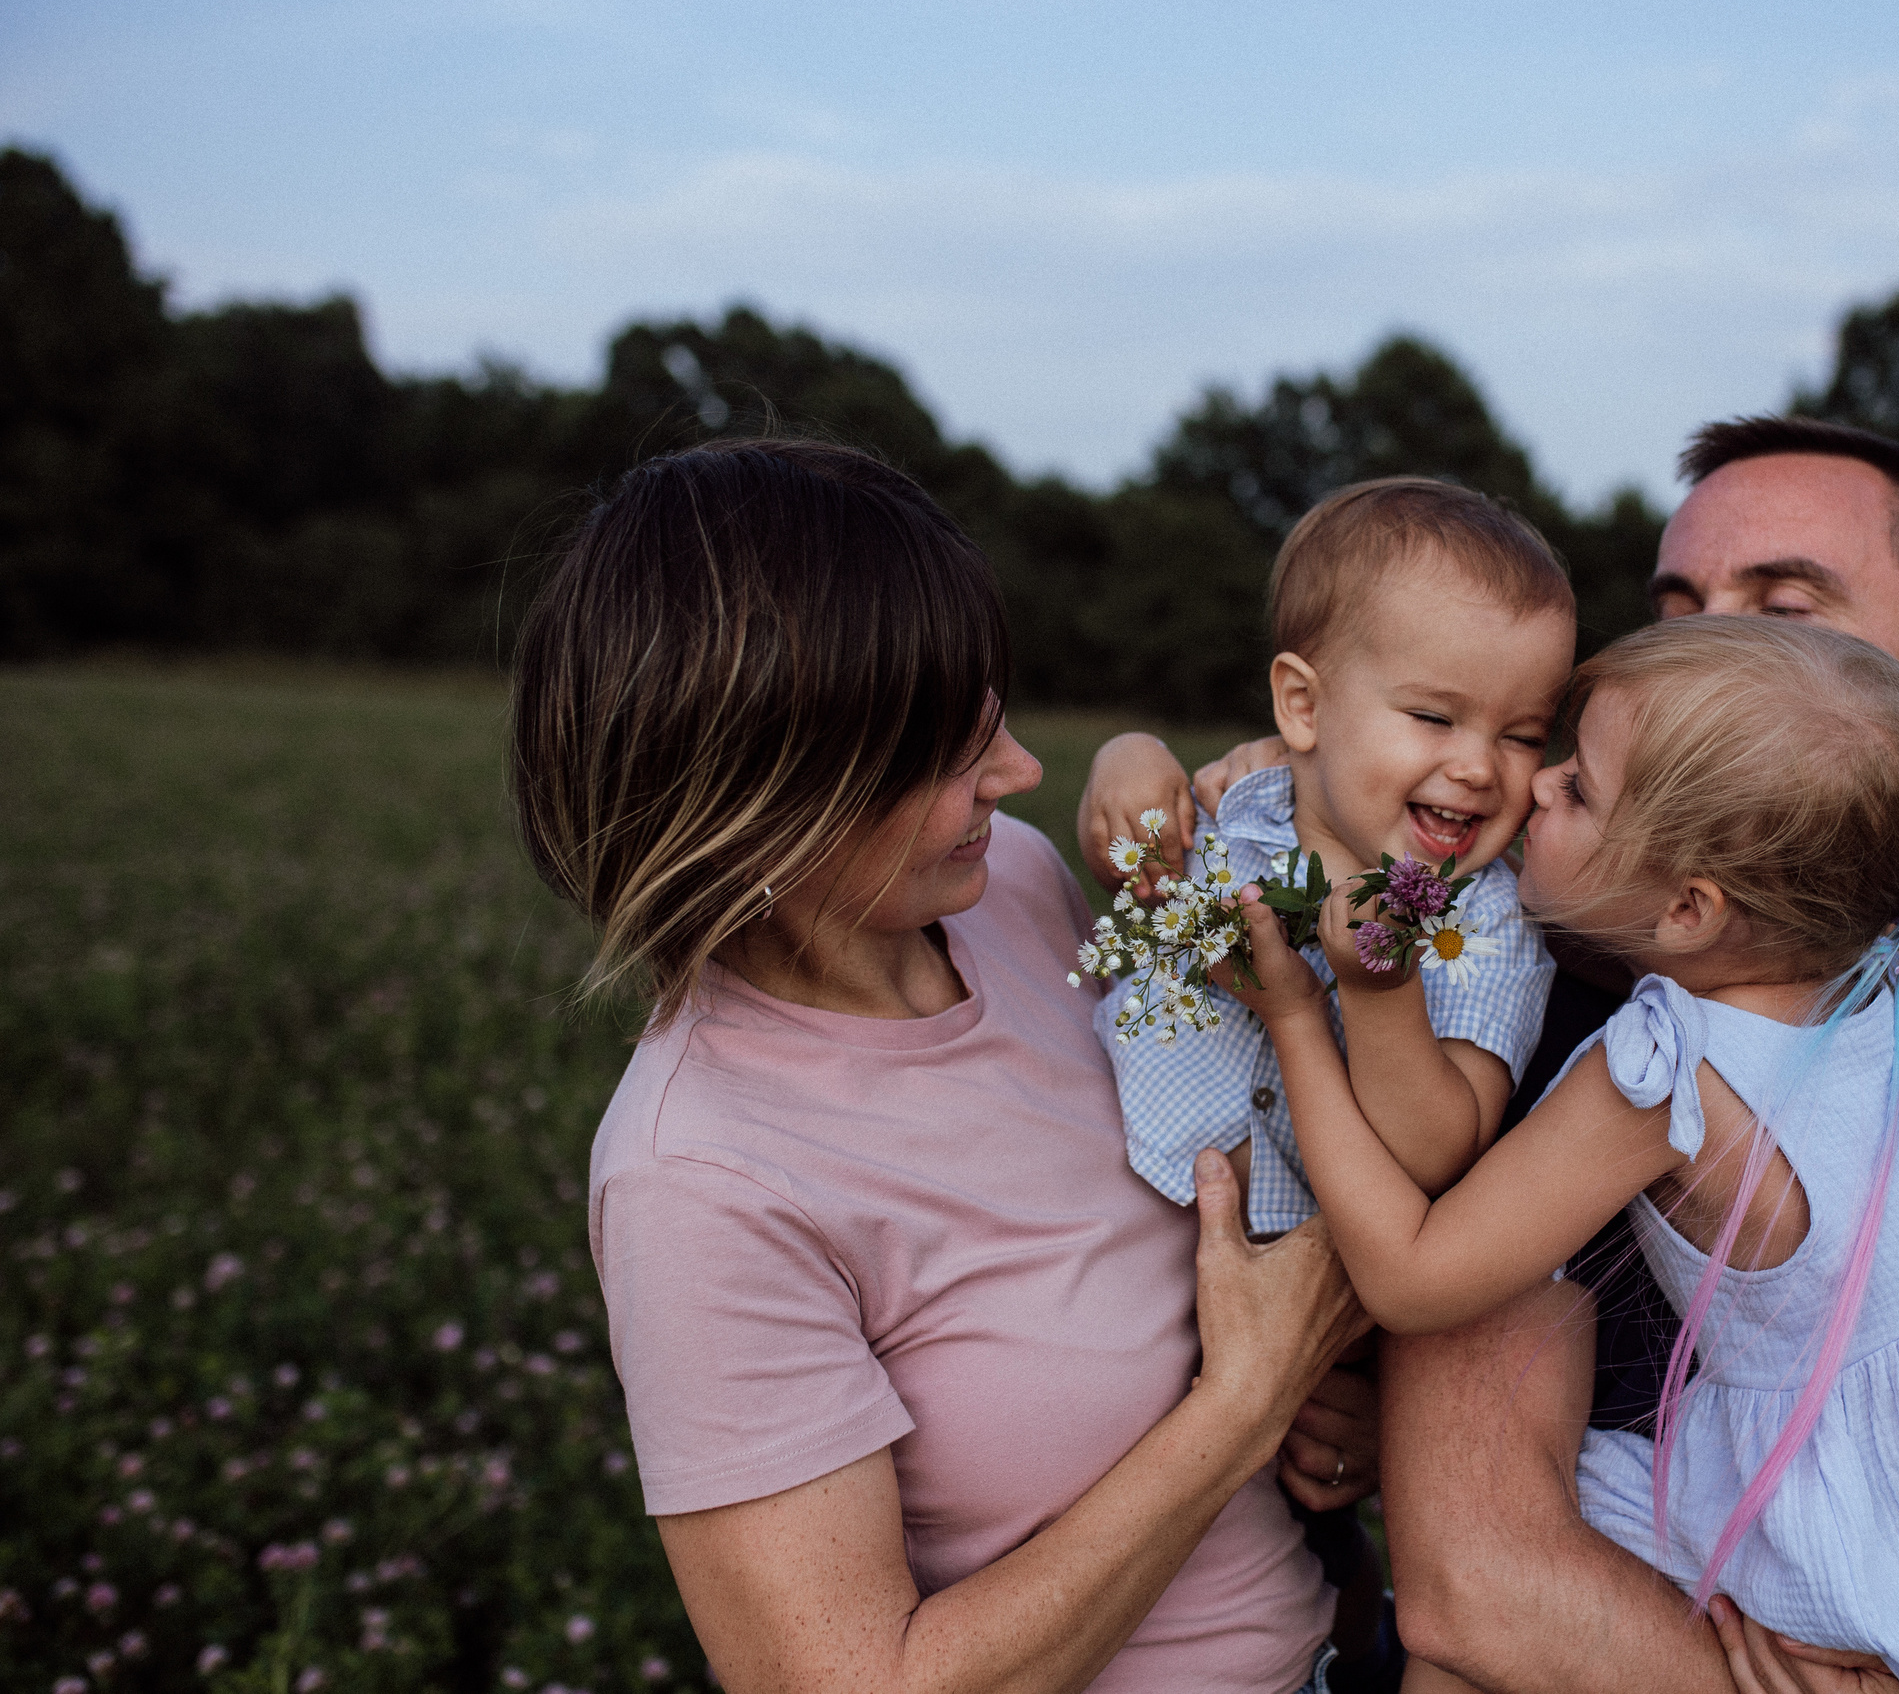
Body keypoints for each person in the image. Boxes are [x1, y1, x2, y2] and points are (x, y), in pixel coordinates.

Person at [1077, 417, 1899, 1691]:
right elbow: (1483, 1586)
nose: (1697, 648)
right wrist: (1167, 769)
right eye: (1674, 608)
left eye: (1782, 610)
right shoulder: (1551, 981)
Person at [508, 438, 1377, 1694]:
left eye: (993, 716)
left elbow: (1201, 1193)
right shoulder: (698, 1179)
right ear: (762, 800)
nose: (1019, 772)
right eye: (949, 752)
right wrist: (1244, 1403)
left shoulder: (1009, 883)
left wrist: (1324, 1413)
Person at [1226, 614, 1899, 1692]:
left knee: (1504, 1595)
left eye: (1579, 789)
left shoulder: (1668, 1069)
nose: (1539, 784)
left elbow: (1413, 1275)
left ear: (1689, 908)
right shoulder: (1870, 986)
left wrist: (1298, 1017)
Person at [1091, 476, 1572, 1238]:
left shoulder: (1485, 921)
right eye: (1434, 716)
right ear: (1303, 706)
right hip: (1111, 1181)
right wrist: (1126, 757)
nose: (1480, 767)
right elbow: (1128, 879)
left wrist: (1380, 987)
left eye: (1523, 735)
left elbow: (1435, 1157)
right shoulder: (1237, 809)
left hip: (1302, 1263)